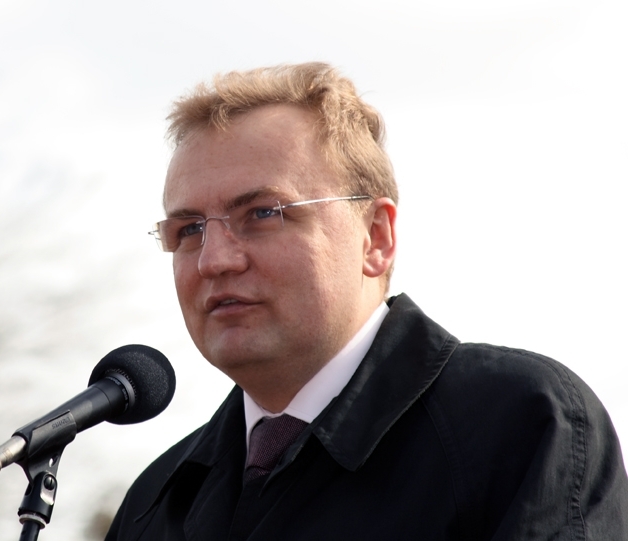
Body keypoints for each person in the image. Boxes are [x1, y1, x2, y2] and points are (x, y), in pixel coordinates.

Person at [106, 62, 628, 540]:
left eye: (263, 213)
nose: (214, 260)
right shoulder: (154, 504)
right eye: (189, 229)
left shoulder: (519, 423)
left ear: (375, 237)